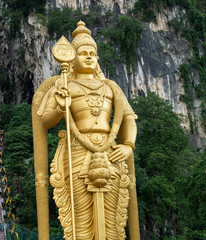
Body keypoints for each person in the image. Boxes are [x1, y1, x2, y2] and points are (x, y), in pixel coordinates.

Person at [33, 21, 138, 240]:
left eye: (93, 53)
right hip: (77, 151)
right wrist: (61, 106)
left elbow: (128, 117)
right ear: (72, 59)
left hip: (110, 153)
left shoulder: (111, 87)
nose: (89, 57)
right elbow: (44, 121)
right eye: (83, 53)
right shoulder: (63, 86)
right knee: (80, 219)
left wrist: (128, 145)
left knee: (113, 220)